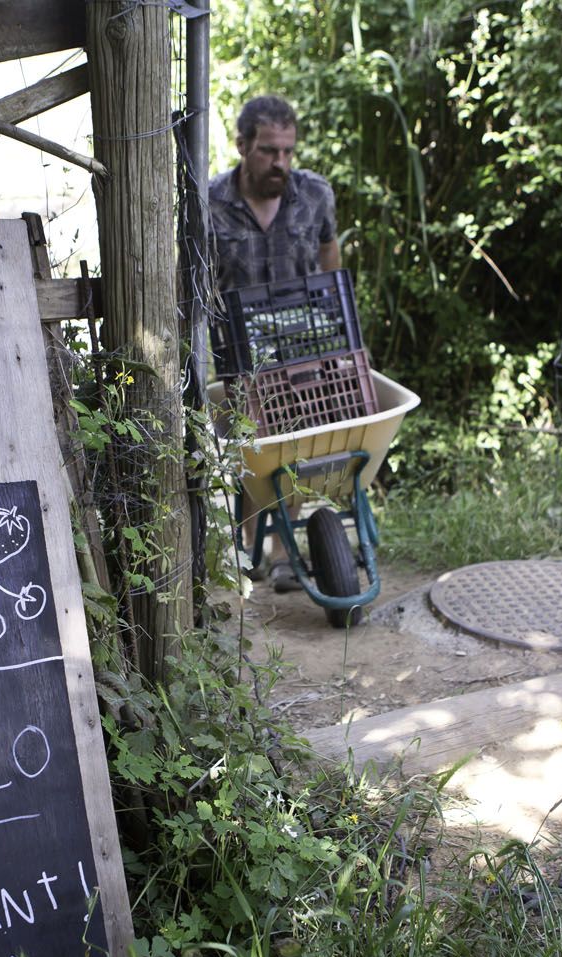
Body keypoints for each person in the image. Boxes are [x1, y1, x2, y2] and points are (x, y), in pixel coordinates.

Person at [209, 95, 341, 592]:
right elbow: (197, 280)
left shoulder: (314, 195)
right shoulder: (213, 204)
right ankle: (249, 548)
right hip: (240, 350)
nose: (280, 162)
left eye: (287, 151)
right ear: (242, 145)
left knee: (296, 444)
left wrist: (337, 320)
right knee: (252, 446)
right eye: (268, 151)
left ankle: (285, 551)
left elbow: (330, 254)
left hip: (301, 343)